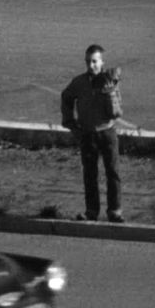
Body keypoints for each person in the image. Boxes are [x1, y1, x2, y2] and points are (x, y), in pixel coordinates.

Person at [58, 43, 126, 223]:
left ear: (102, 62)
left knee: (113, 172)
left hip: (108, 133)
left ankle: (115, 211)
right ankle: (92, 211)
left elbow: (118, 109)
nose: (91, 66)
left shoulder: (110, 79)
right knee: (90, 174)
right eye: (88, 62)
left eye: (95, 61)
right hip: (87, 134)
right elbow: (66, 97)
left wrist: (112, 85)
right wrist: (71, 124)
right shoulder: (79, 82)